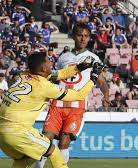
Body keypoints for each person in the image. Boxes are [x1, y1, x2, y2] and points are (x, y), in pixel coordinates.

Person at [0, 51, 102, 168]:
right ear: (43, 67)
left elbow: (60, 74)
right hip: (18, 132)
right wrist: (93, 79)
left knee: (27, 158)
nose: (51, 61)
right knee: (53, 151)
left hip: (2, 135)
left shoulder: (25, 75)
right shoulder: (44, 86)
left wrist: (79, 67)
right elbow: (78, 96)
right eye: (48, 60)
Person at [35, 23, 110, 167]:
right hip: (58, 103)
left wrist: (106, 95)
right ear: (73, 36)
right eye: (80, 35)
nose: (83, 39)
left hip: (77, 106)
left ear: (89, 38)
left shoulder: (93, 57)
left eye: (86, 36)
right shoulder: (64, 57)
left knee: (64, 142)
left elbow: (101, 81)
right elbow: (56, 77)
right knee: (45, 141)